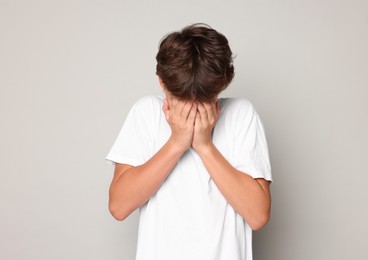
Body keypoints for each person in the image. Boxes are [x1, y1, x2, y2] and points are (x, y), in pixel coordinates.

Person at [104, 23, 272, 260]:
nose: (192, 110)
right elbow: (119, 207)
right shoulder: (146, 113)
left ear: (223, 84)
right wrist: (176, 143)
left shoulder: (241, 115)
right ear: (162, 83)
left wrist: (204, 146)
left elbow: (257, 216)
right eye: (181, 100)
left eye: (203, 100)